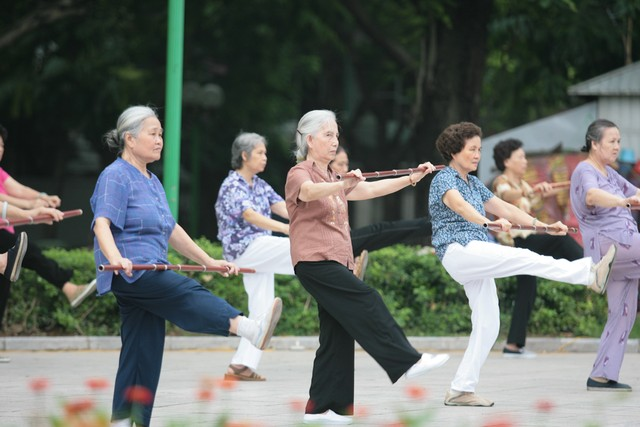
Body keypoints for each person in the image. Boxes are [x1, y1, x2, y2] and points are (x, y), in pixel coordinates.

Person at [91, 106, 282, 427]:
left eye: (161, 134)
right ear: (129, 138)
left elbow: (171, 229)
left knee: (142, 352)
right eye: (152, 133)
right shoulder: (115, 175)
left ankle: (125, 421)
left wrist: (209, 261)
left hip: (152, 269)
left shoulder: (151, 180)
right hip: (132, 271)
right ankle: (247, 328)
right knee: (183, 292)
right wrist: (114, 258)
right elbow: (101, 224)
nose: (159, 140)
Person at [428, 121, 617, 407]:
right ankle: (587, 274)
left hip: (475, 254)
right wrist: (488, 222)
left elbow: (506, 208)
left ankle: (460, 389)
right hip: (459, 250)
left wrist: (542, 226)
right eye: (472, 149)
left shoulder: (474, 183)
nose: (478, 154)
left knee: (488, 323)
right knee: (525, 258)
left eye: (480, 149)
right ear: (454, 151)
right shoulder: (444, 178)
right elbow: (459, 206)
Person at [285, 109, 449, 425]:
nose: (335, 141)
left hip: (337, 260)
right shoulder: (300, 173)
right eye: (328, 135)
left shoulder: (334, 176)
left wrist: (410, 178)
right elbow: (307, 192)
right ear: (310, 140)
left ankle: (323, 410)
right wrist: (342, 184)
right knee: (367, 299)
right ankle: (406, 361)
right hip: (314, 261)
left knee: (337, 335)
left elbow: (371, 189)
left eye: (336, 135)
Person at [491, 138, 583, 358]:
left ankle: (513, 346)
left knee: (527, 290)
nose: (525, 161)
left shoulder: (523, 185)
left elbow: (534, 194)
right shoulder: (500, 182)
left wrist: (546, 189)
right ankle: (589, 268)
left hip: (526, 241)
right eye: (520, 157)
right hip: (515, 243)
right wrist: (533, 190)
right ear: (507, 161)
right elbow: (507, 196)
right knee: (559, 239)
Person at [215, 132, 293, 381]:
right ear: (244, 155)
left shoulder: (259, 184)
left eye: (265, 153)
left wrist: (306, 219)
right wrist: (285, 228)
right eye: (260, 153)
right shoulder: (232, 185)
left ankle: (241, 366)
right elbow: (249, 215)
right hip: (244, 250)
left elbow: (281, 206)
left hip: (260, 252)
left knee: (262, 312)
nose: (265, 157)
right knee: (297, 249)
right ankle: (335, 267)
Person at [570, 119, 640, 392]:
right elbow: (591, 196)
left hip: (624, 250)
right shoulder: (585, 170)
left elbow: (636, 193)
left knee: (623, 312)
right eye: (611, 141)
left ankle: (601, 375)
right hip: (610, 245)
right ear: (594, 143)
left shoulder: (611, 173)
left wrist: (630, 198)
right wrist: (623, 201)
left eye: (619, 141)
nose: (617, 147)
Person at [0, 124, 96, 312]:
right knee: (29, 253)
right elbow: (4, 200)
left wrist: (40, 198)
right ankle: (68, 287)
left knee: (5, 284)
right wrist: (30, 210)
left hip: (5, 230)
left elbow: (18, 190)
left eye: (2, 146)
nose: (0, 150)